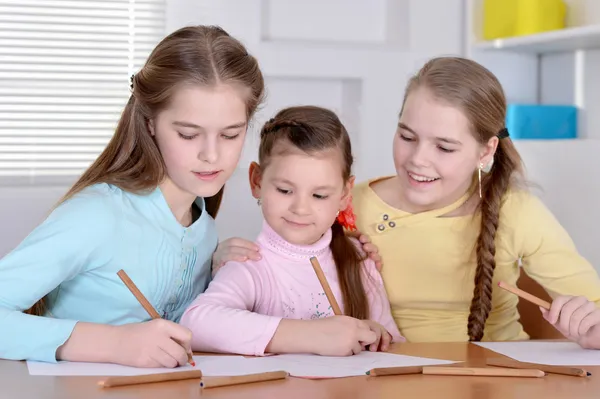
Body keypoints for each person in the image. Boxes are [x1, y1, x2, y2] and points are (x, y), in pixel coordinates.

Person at [0, 25, 265, 367]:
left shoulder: (205, 230)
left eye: (230, 135)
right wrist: (113, 344)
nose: (211, 155)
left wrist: (218, 273)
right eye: (187, 134)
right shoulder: (96, 215)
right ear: (150, 122)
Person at [351, 56, 600, 347]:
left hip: (497, 382)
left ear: (485, 151)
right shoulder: (347, 205)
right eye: (407, 137)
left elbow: (593, 307)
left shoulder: (516, 210)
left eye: (444, 147)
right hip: (381, 380)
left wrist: (590, 327)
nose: (417, 160)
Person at [180, 106, 403, 357]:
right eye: (285, 190)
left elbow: (392, 343)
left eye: (319, 195)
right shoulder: (248, 264)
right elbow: (196, 324)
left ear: (344, 195)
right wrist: (310, 335)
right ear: (257, 181)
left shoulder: (360, 258)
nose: (300, 208)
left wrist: (376, 335)